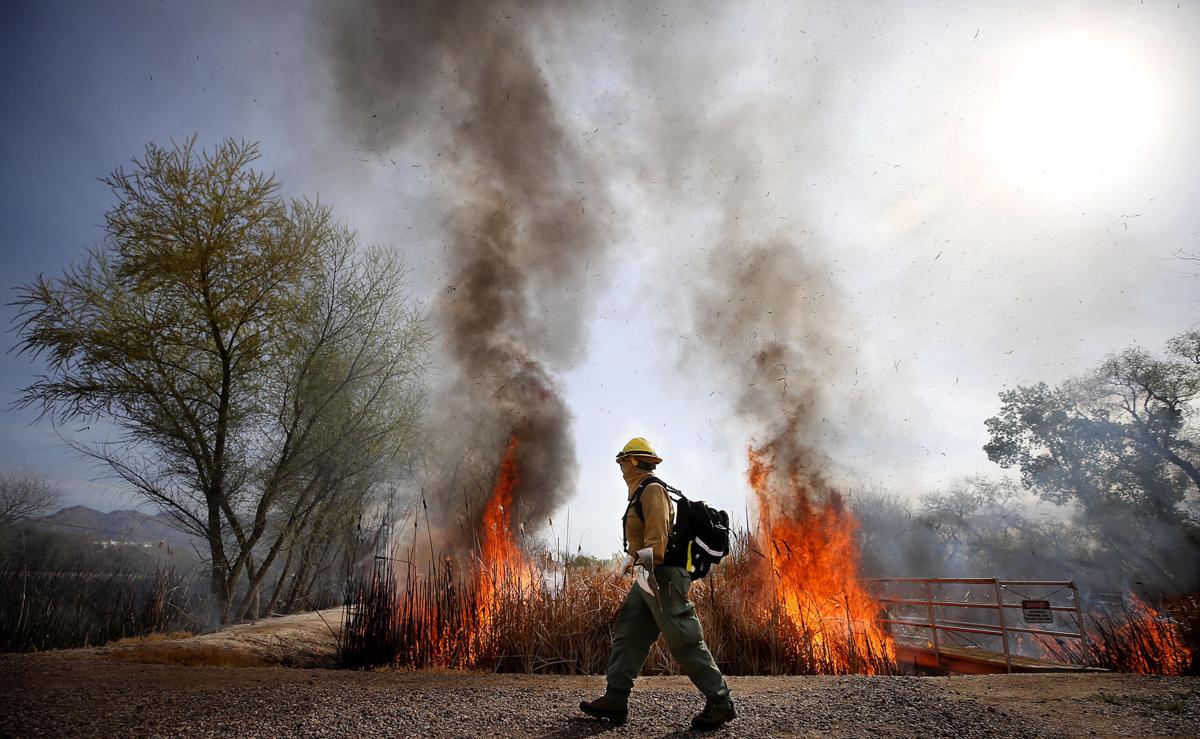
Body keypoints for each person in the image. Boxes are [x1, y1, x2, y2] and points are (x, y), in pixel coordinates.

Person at [579, 437, 736, 730]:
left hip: (662, 577)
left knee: (684, 640)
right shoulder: (639, 492)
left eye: (623, 461)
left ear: (634, 461)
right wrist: (630, 558)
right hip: (647, 576)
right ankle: (615, 700)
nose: (621, 467)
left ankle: (721, 702)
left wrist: (640, 562)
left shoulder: (652, 490)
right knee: (629, 632)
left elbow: (657, 543)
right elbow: (642, 540)